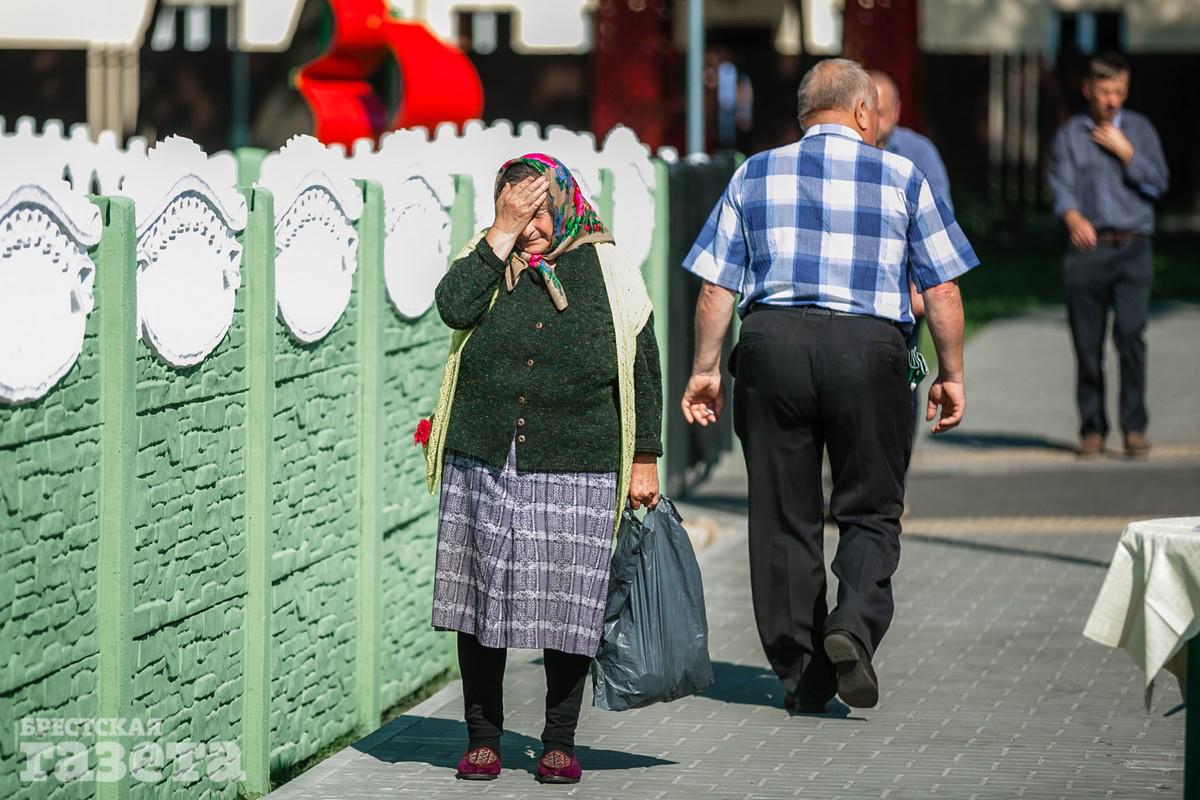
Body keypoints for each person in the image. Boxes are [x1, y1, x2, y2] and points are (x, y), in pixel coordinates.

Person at [680, 59, 979, 712]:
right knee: (870, 507)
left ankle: (803, 676)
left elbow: (715, 287)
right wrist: (951, 374)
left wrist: (705, 369)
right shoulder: (902, 175)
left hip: (773, 348)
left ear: (803, 115)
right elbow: (944, 288)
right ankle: (854, 625)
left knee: (782, 516)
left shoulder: (753, 173)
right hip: (869, 351)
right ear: (865, 111)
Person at [424, 153, 663, 784]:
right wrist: (499, 236)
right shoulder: (485, 258)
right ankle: (482, 739)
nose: (527, 228)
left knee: (570, 606)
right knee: (479, 602)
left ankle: (559, 740)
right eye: (512, 213)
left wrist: (644, 458)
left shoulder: (608, 268)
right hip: (484, 456)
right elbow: (451, 308)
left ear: (563, 204)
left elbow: (643, 364)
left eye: (535, 214)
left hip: (578, 460)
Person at [1048, 51, 1169, 459]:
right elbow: (1060, 186)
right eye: (1105, 92)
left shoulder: (1140, 130)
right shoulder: (1070, 135)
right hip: (1088, 250)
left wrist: (1128, 153)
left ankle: (1134, 428)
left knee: (1131, 335)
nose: (1113, 100)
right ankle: (1092, 429)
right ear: (1089, 90)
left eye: (1119, 91)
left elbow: (1159, 183)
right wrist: (1072, 217)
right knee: (1087, 345)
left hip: (1133, 247)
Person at [870, 69, 956, 428]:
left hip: (905, 285)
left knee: (906, 370)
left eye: (881, 112)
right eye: (867, 110)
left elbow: (938, 222)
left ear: (897, 111)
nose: (873, 120)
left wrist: (921, 282)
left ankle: (899, 441)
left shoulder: (919, 152)